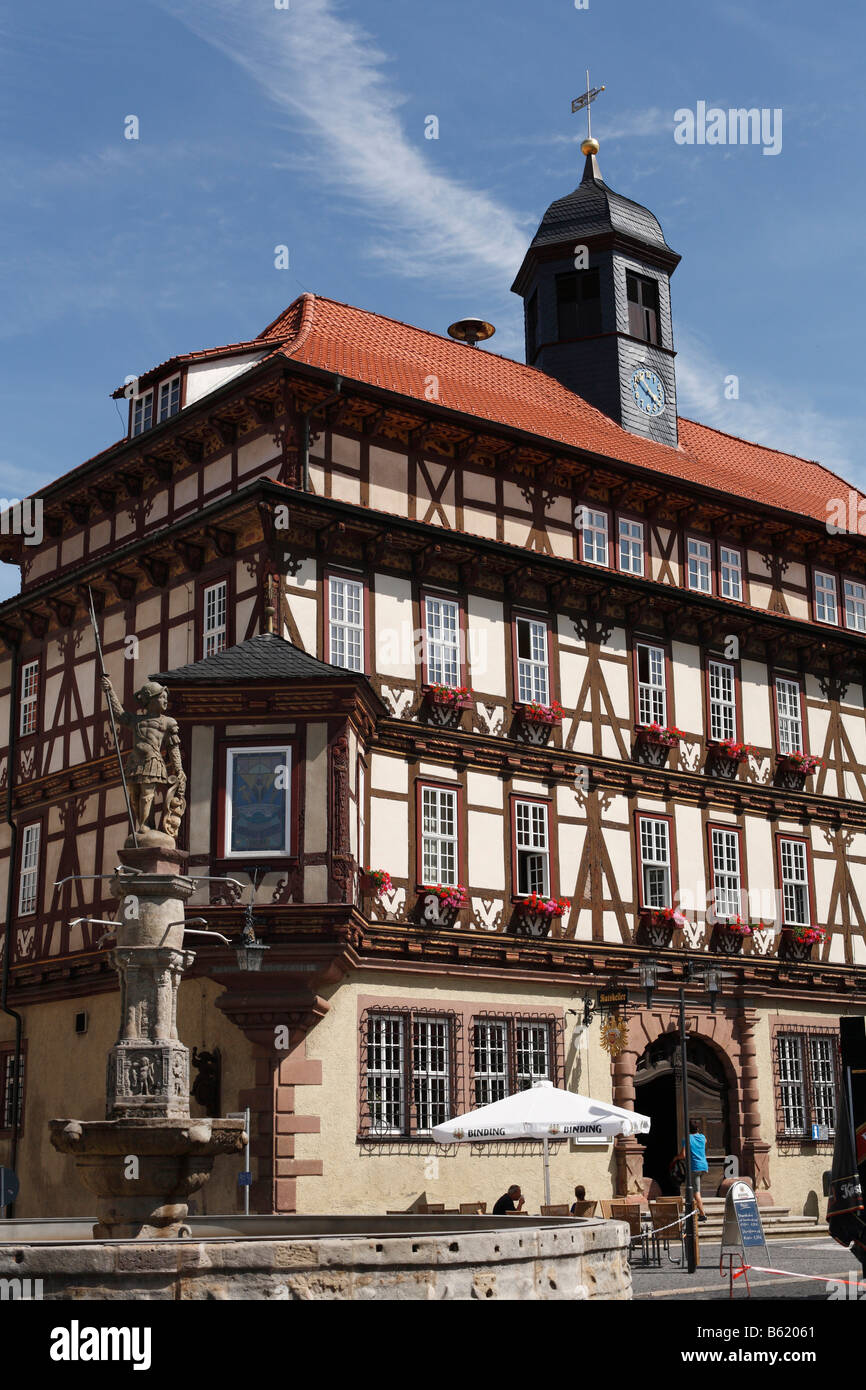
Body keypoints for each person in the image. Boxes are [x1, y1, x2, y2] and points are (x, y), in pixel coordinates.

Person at [677, 1119, 709, 1221]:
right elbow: (705, 1142)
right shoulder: (702, 1137)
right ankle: (693, 1209)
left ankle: (702, 1214)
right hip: (703, 1166)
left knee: (696, 1192)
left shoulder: (687, 1138)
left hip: (695, 1167)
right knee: (693, 1189)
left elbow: (683, 1155)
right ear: (698, 1128)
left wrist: (675, 1158)